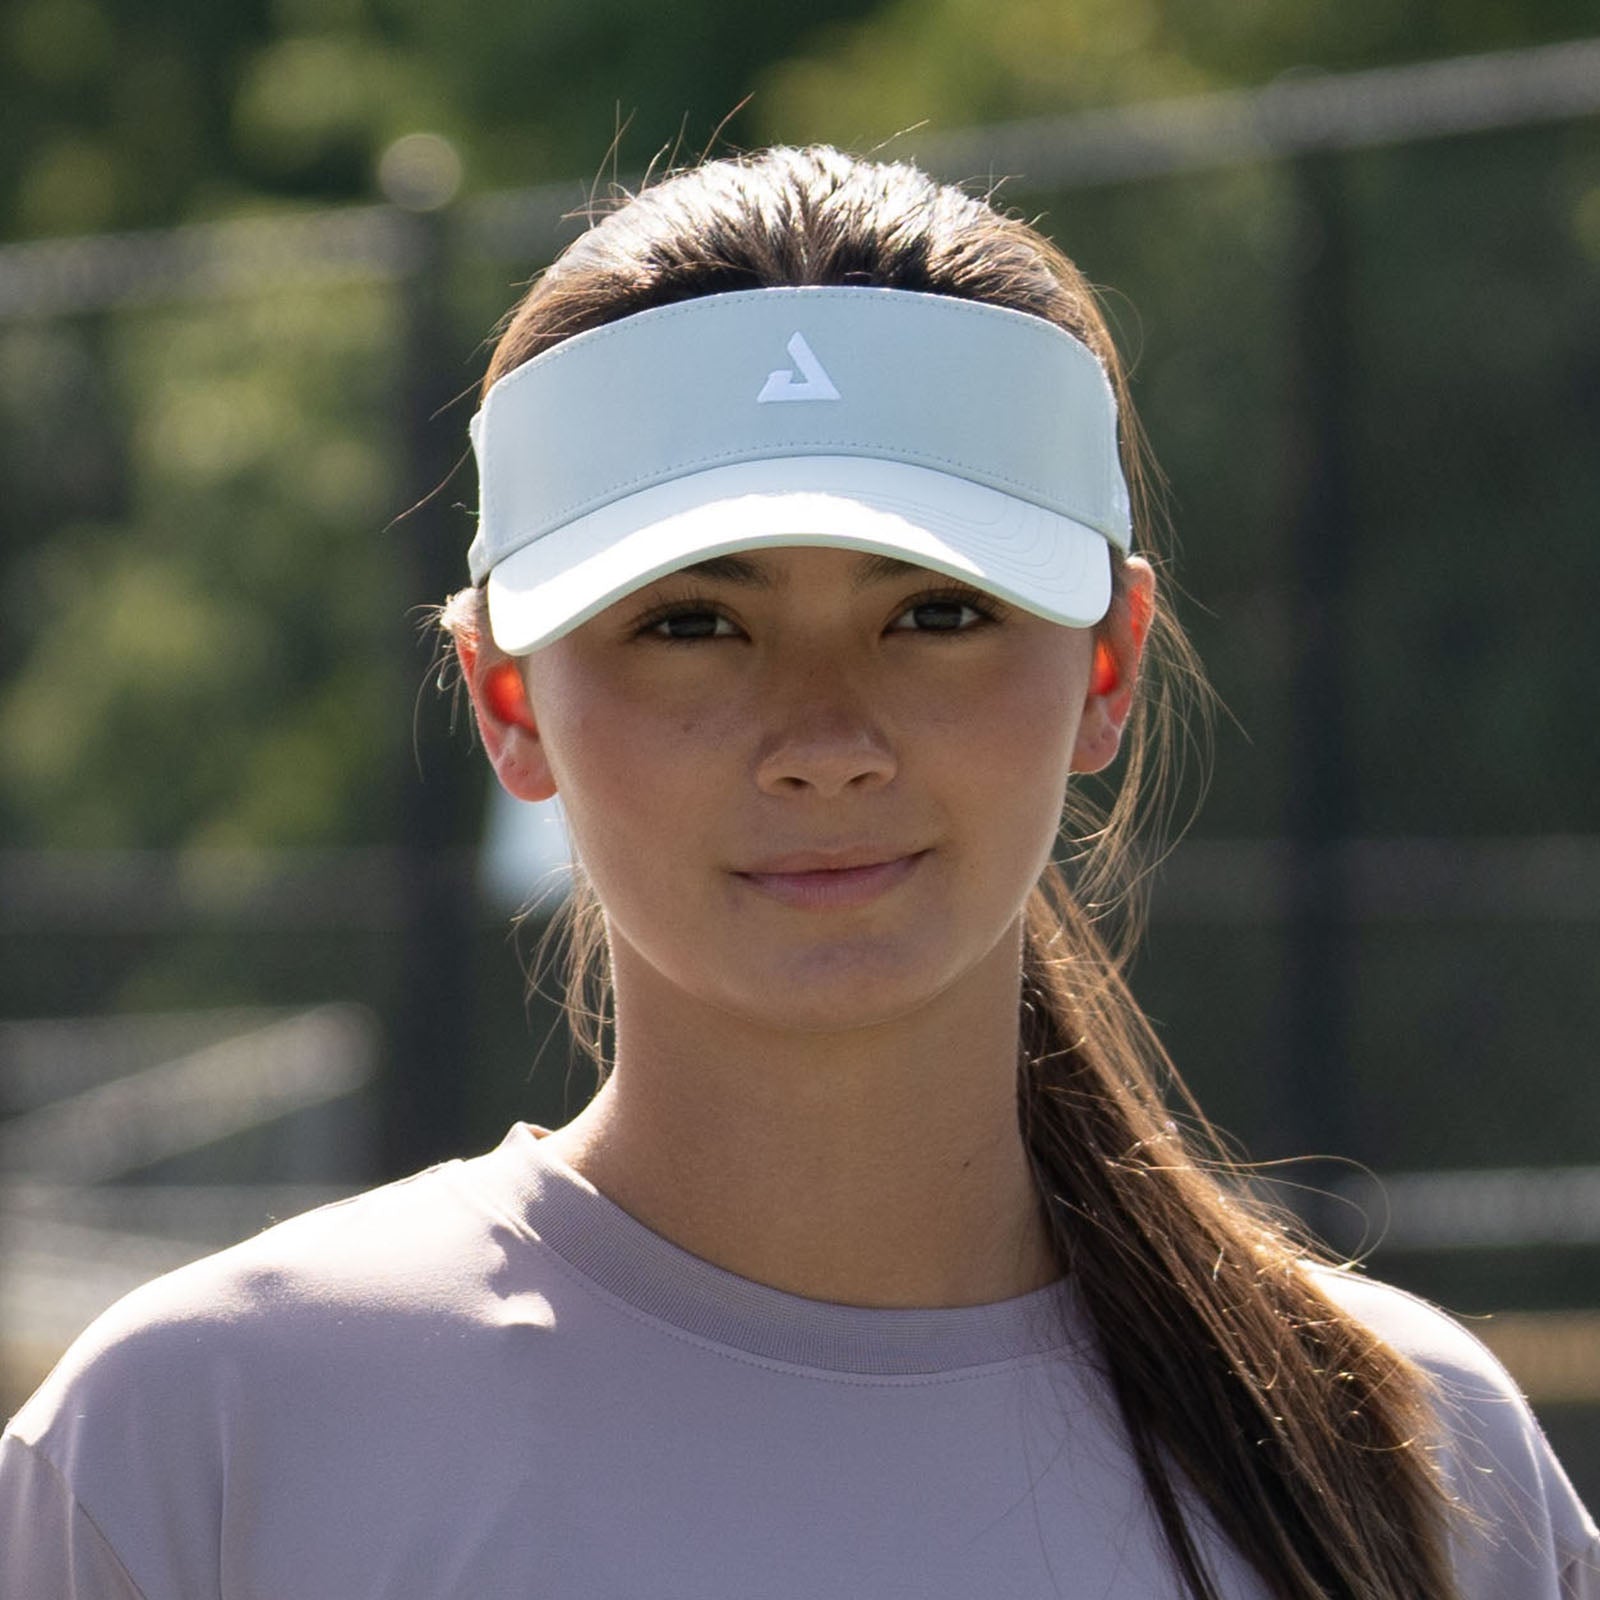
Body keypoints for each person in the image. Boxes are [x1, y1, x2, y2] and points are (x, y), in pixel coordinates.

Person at [1, 145, 1595, 1600]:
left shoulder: (1413, 1459)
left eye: (939, 611)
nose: (824, 738)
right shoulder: (204, 1445)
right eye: (694, 623)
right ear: (509, 702)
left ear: (1108, 664)